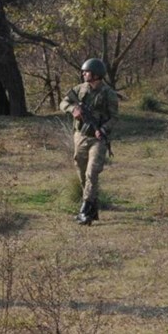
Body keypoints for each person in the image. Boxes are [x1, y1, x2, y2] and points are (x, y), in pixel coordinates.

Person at [59, 58, 119, 225]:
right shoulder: (79, 89)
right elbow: (63, 102)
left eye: (87, 72)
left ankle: (84, 210)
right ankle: (92, 208)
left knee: (92, 173)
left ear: (96, 75)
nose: (83, 74)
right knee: (81, 170)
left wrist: (104, 129)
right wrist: (73, 110)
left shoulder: (109, 94)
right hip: (80, 136)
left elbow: (115, 117)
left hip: (98, 139)